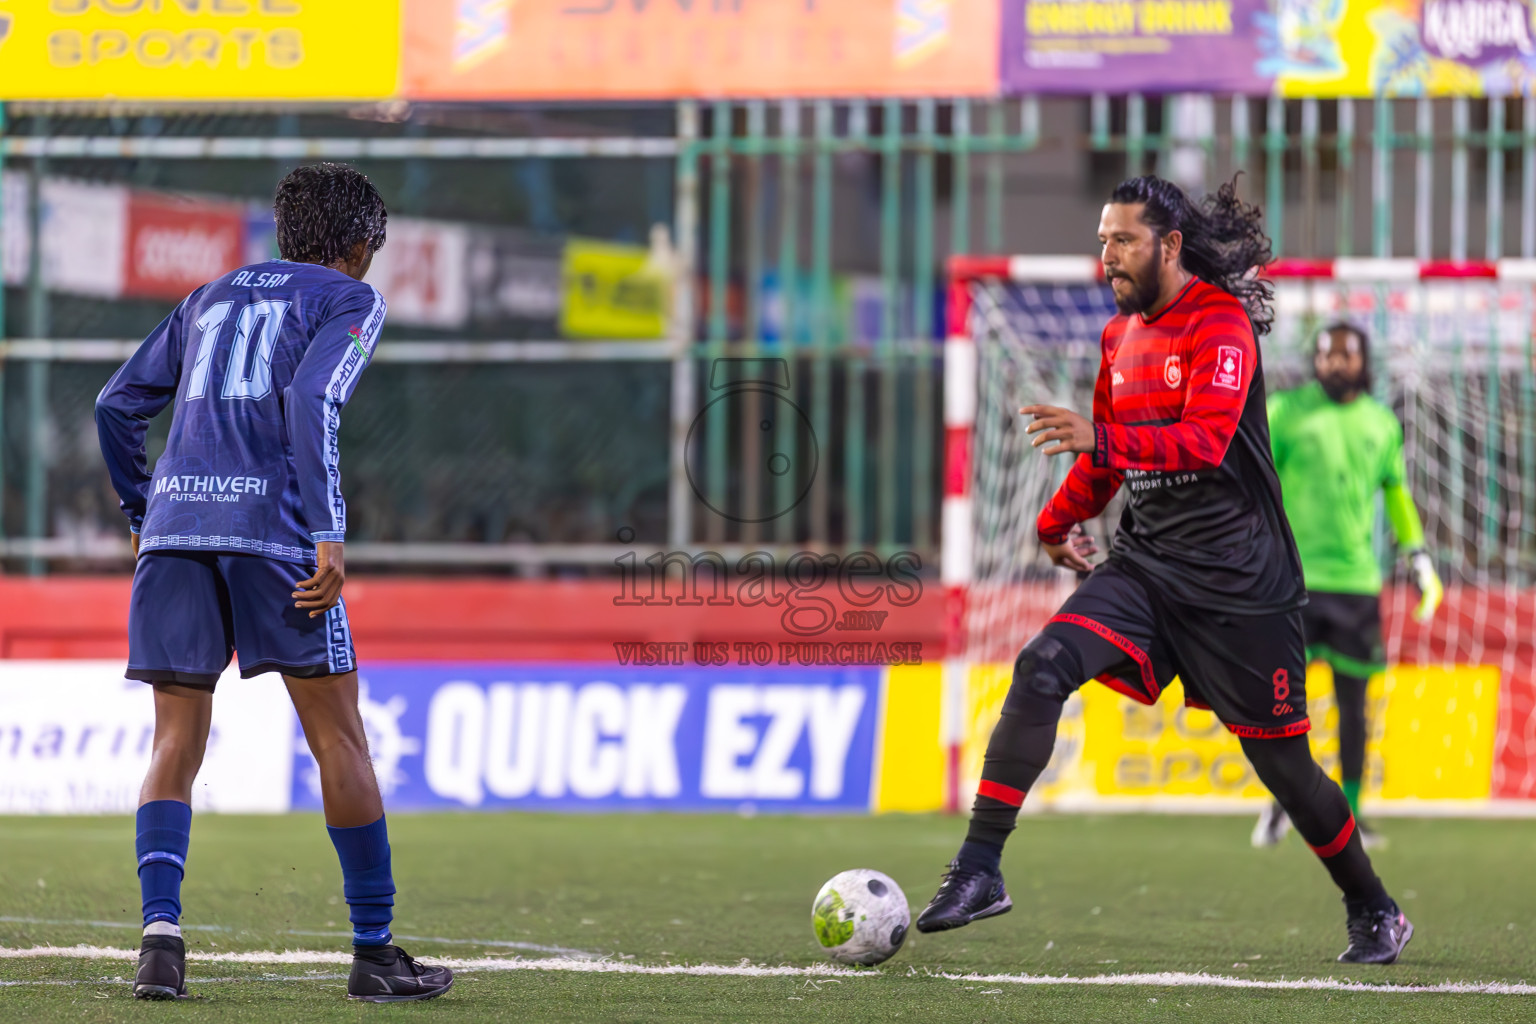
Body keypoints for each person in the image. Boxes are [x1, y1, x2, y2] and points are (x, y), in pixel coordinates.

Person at [915, 175, 1413, 965]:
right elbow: (1109, 464)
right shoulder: (1118, 338)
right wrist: (1056, 521)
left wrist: (1096, 441)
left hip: (1240, 584)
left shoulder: (1220, 326)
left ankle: (1372, 904)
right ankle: (979, 869)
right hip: (1146, 567)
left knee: (1285, 769)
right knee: (1041, 665)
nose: (1107, 255)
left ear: (1170, 246)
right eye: (1103, 239)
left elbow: (1203, 444)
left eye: (1123, 240)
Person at [95, 163, 453, 1003]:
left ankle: (160, 943)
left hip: (176, 535)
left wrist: (142, 511)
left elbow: (117, 404)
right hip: (275, 541)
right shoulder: (346, 299)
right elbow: (311, 400)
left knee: (174, 744)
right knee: (339, 738)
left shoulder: (208, 296)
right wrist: (328, 531)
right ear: (362, 244)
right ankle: (374, 954)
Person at [1252, 323, 1442, 850]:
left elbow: (1397, 493)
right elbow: (1254, 483)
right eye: (1327, 354)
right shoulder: (1285, 413)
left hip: (1358, 585)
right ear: (1315, 360)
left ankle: (1352, 817)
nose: (1336, 362)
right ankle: (1278, 810)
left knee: (1353, 708)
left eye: (1346, 354)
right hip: (1291, 584)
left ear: (1363, 361)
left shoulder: (1382, 424)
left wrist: (1419, 555)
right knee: (1284, 711)